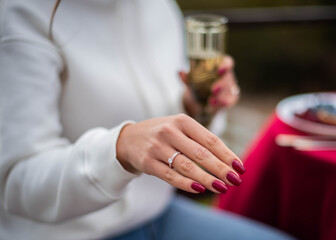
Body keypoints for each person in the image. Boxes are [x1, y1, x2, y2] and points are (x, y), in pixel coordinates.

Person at [0, 0, 294, 239]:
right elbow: (15, 181)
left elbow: (164, 119)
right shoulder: (22, 14)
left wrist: (196, 106)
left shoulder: (160, 7)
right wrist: (121, 147)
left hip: (158, 214)